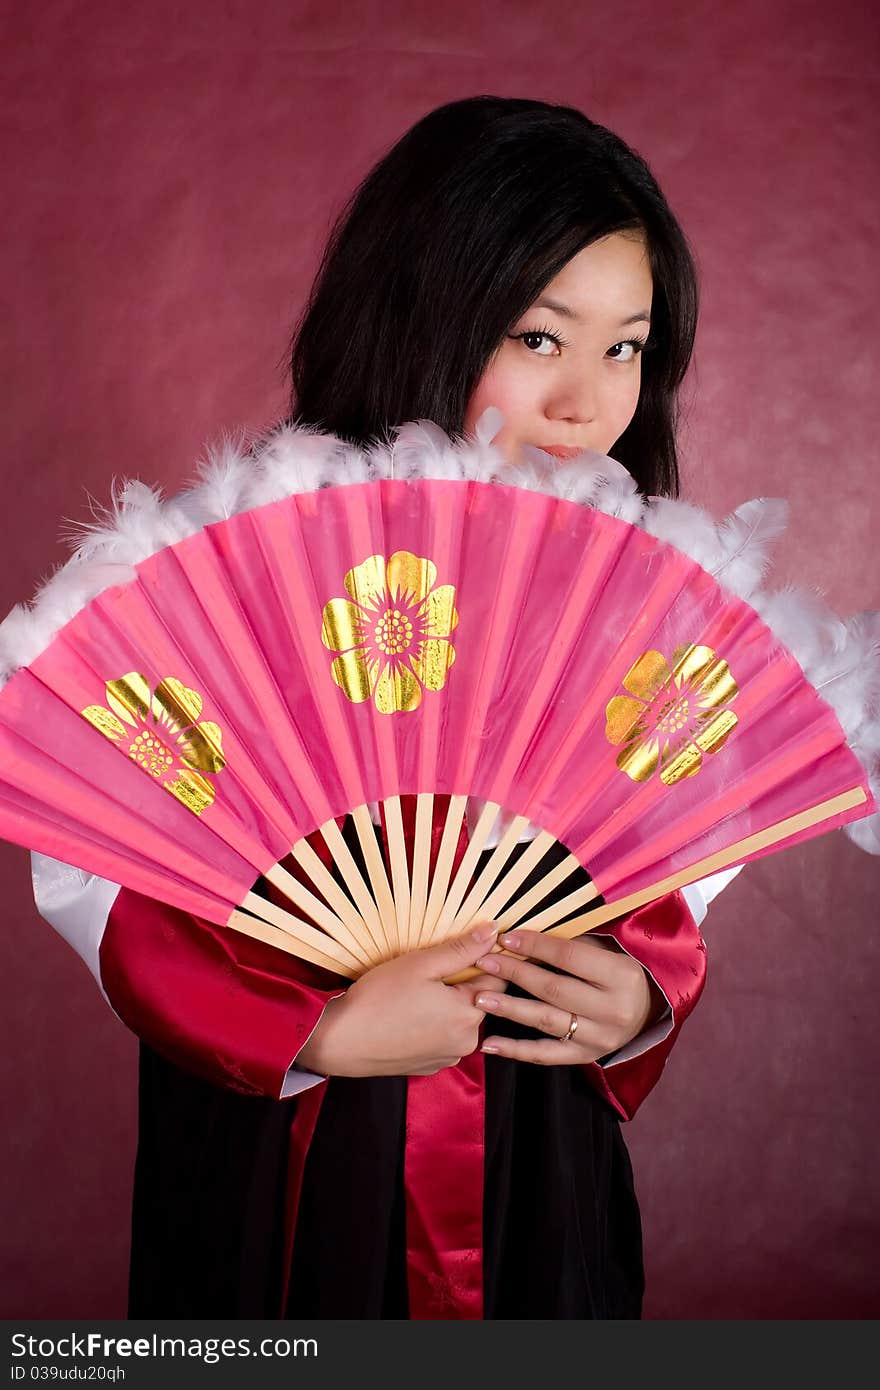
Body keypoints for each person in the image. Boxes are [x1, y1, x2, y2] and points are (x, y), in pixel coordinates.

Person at [31, 95, 742, 1319]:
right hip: (292, 1135)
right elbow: (105, 875)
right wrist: (313, 1031)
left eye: (626, 347)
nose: (588, 401)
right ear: (425, 310)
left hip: (534, 1130)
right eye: (537, 337)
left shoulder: (632, 597)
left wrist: (636, 998)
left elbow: (681, 852)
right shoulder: (229, 563)